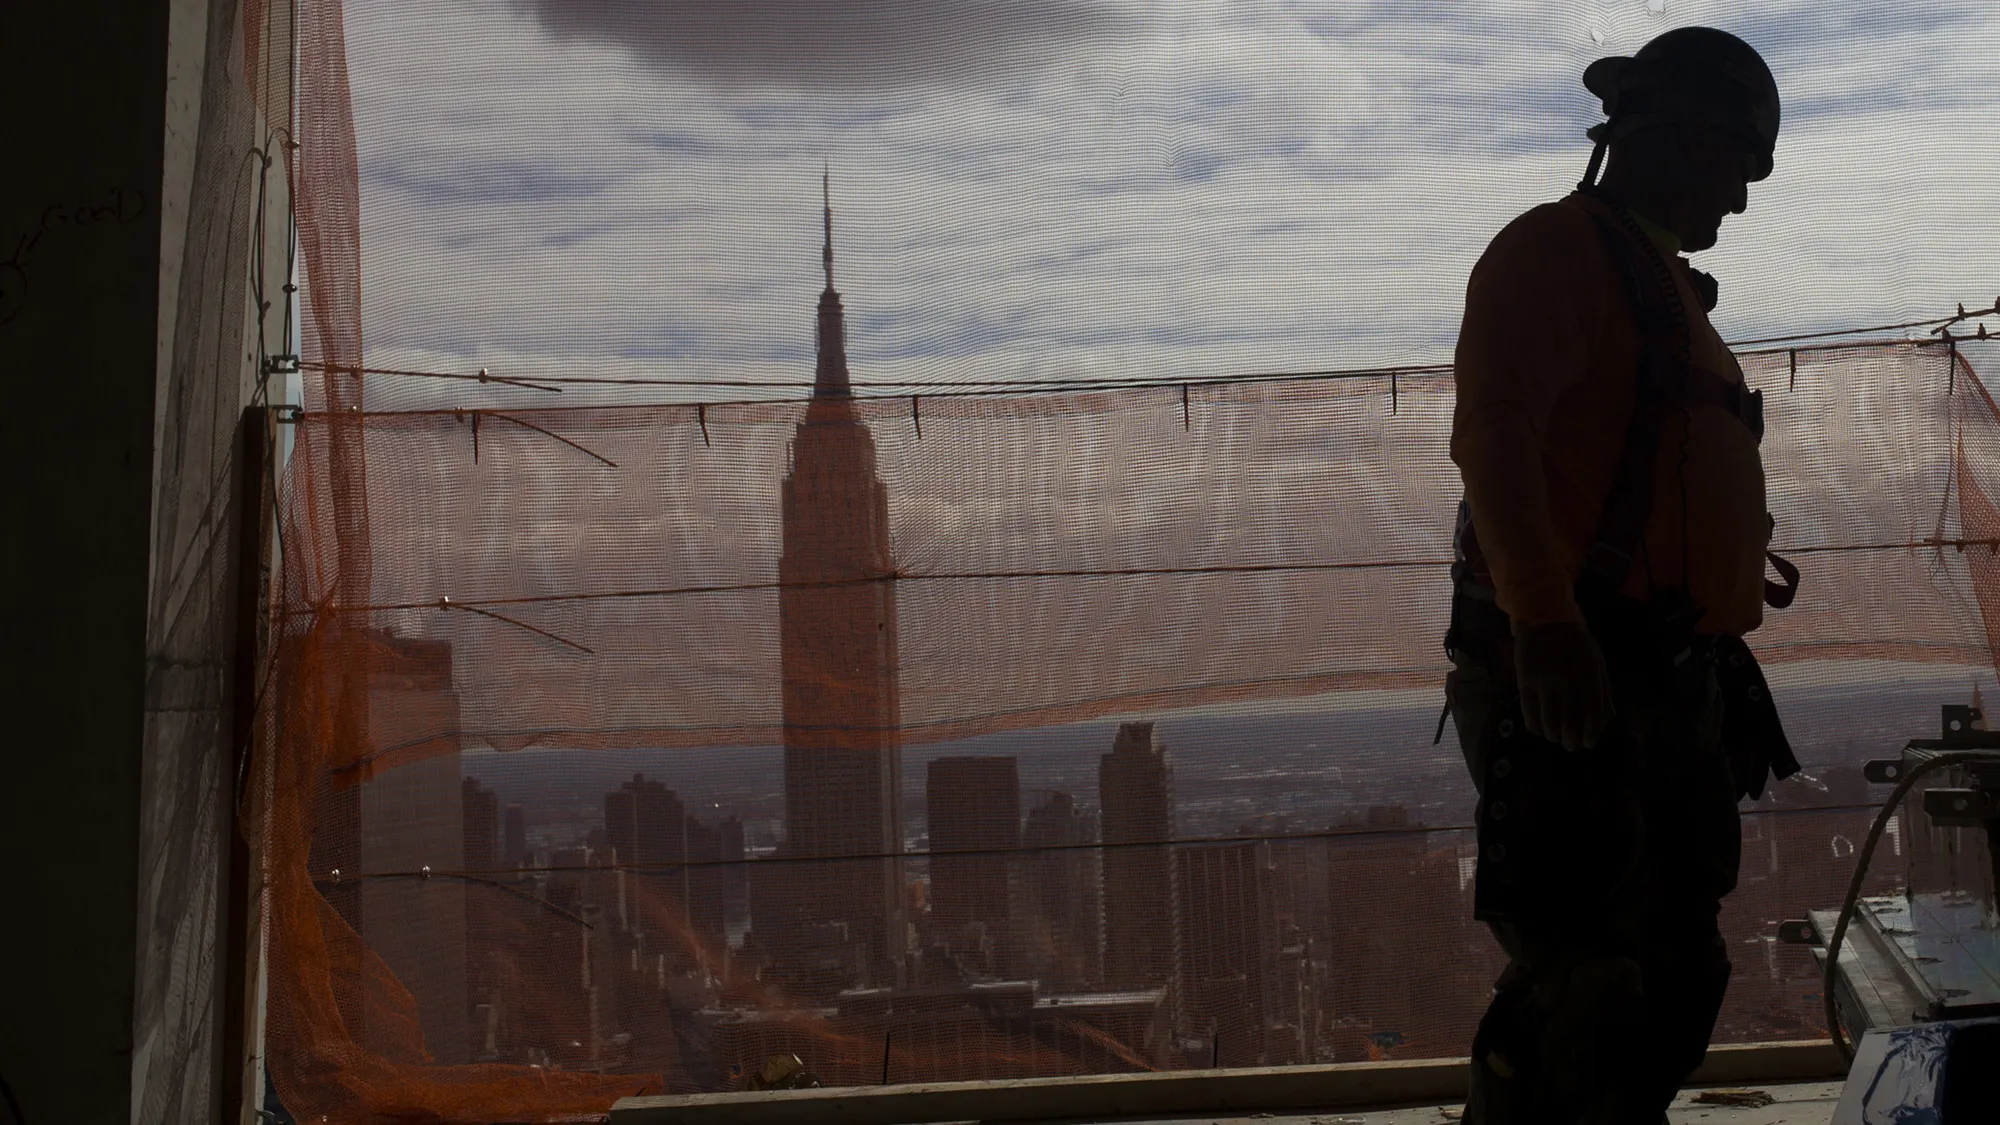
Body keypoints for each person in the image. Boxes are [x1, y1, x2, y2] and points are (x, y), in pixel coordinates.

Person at [1443, 26, 1801, 1125]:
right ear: (1673, 136)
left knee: (1675, 966)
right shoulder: (1556, 251)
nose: (1736, 203)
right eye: (1730, 168)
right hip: (1576, 665)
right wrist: (1544, 624)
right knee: (1589, 978)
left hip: (1662, 672)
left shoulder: (1666, 293)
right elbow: (1494, 432)